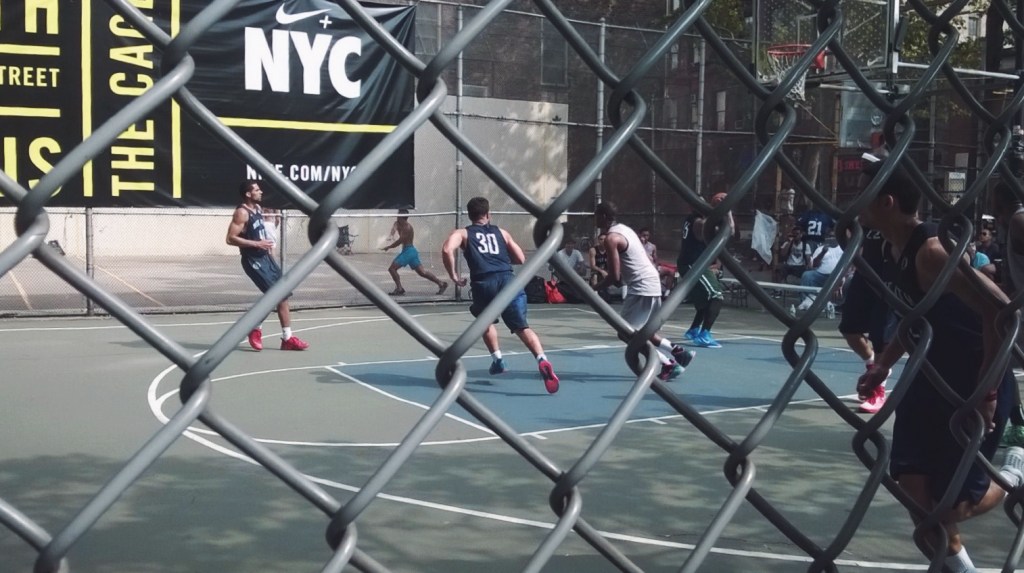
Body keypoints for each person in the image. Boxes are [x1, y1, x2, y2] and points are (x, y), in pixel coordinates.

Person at [855, 158, 1022, 573]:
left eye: (862, 192)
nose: (854, 201)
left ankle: (1013, 476)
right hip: (928, 377)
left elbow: (1000, 311)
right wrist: (883, 365)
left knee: (950, 508)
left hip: (973, 380)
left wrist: (987, 390)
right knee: (916, 498)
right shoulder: (886, 247)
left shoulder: (930, 252)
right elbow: (915, 317)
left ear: (887, 201)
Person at [441, 197, 559, 394]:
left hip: (484, 282)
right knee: (522, 327)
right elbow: (520, 258)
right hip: (508, 281)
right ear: (488, 214)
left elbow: (447, 249)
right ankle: (542, 359)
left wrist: (453, 275)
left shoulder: (462, 233)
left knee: (485, 321)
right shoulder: (502, 233)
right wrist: (499, 257)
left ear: (470, 215)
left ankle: (498, 359)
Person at [592, 202, 695, 379]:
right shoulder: (626, 230)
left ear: (603, 216)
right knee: (644, 332)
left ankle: (668, 364)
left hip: (641, 286)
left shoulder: (611, 238)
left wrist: (592, 289)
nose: (594, 219)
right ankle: (678, 352)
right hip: (651, 282)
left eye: (596, 215)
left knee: (625, 333)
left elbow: (614, 276)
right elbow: (639, 260)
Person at [225, 180, 309, 351]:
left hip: (266, 258)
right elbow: (230, 238)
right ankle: (255, 327)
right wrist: (256, 244)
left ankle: (288, 338)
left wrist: (267, 250)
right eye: (257, 190)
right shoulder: (242, 213)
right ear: (248, 194)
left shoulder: (258, 209)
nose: (261, 192)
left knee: (282, 295)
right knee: (274, 295)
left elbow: (260, 234)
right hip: (253, 260)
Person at [839, 224, 896, 414]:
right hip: (863, 277)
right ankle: (873, 365)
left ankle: (878, 390)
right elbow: (855, 247)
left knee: (880, 336)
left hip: (888, 281)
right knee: (848, 328)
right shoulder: (867, 221)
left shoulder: (896, 221)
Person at [676, 193, 732, 348]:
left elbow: (729, 231)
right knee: (716, 296)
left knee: (705, 301)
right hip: (692, 265)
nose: (701, 206)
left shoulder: (700, 219)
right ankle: (704, 335)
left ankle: (694, 330)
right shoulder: (697, 221)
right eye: (697, 204)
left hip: (694, 263)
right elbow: (725, 231)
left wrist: (727, 210)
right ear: (691, 207)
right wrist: (722, 210)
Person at [382, 209, 448, 296]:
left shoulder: (407, 228)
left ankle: (399, 288)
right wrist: (391, 235)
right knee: (422, 272)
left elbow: (400, 241)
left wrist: (389, 247)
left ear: (403, 217)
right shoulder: (397, 223)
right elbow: (394, 228)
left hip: (409, 252)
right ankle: (441, 283)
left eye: (399, 215)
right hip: (410, 251)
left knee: (392, 269)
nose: (397, 216)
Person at [796, 232, 843, 311]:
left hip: (837, 276)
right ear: (826, 237)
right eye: (830, 236)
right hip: (820, 276)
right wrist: (823, 252)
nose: (832, 238)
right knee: (807, 275)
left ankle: (838, 304)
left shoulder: (843, 248)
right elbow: (814, 265)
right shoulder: (820, 249)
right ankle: (805, 301)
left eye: (834, 236)